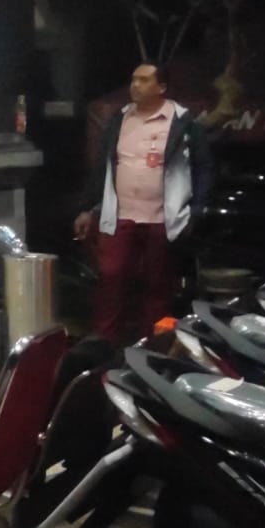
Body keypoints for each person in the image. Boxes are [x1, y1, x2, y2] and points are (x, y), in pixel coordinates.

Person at [74, 62, 212, 346]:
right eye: (134, 79)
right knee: (111, 277)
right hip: (120, 214)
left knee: (157, 283)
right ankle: (105, 342)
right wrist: (88, 207)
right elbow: (102, 167)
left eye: (144, 80)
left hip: (163, 216)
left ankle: (151, 345)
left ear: (162, 87)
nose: (135, 85)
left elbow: (204, 167)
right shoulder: (119, 119)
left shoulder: (184, 122)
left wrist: (197, 208)